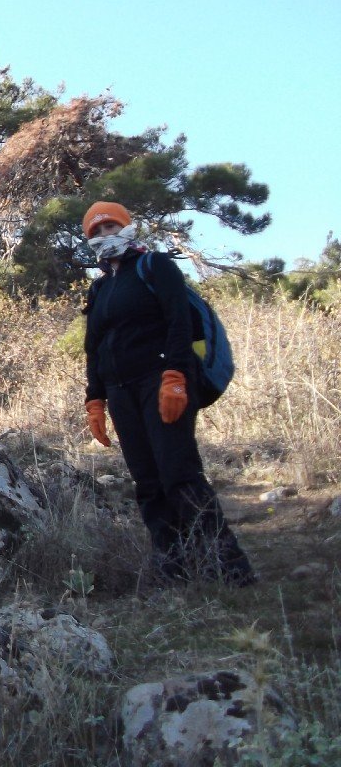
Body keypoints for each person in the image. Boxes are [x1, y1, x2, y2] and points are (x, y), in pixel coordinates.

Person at [81, 201, 255, 586]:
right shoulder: (99, 288)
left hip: (161, 383)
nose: (105, 235)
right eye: (96, 231)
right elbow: (94, 347)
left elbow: (178, 321)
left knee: (179, 474)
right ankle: (174, 567)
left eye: (112, 226)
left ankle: (229, 567)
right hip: (120, 392)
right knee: (147, 482)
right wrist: (95, 399)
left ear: (127, 228)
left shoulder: (155, 266)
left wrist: (176, 376)